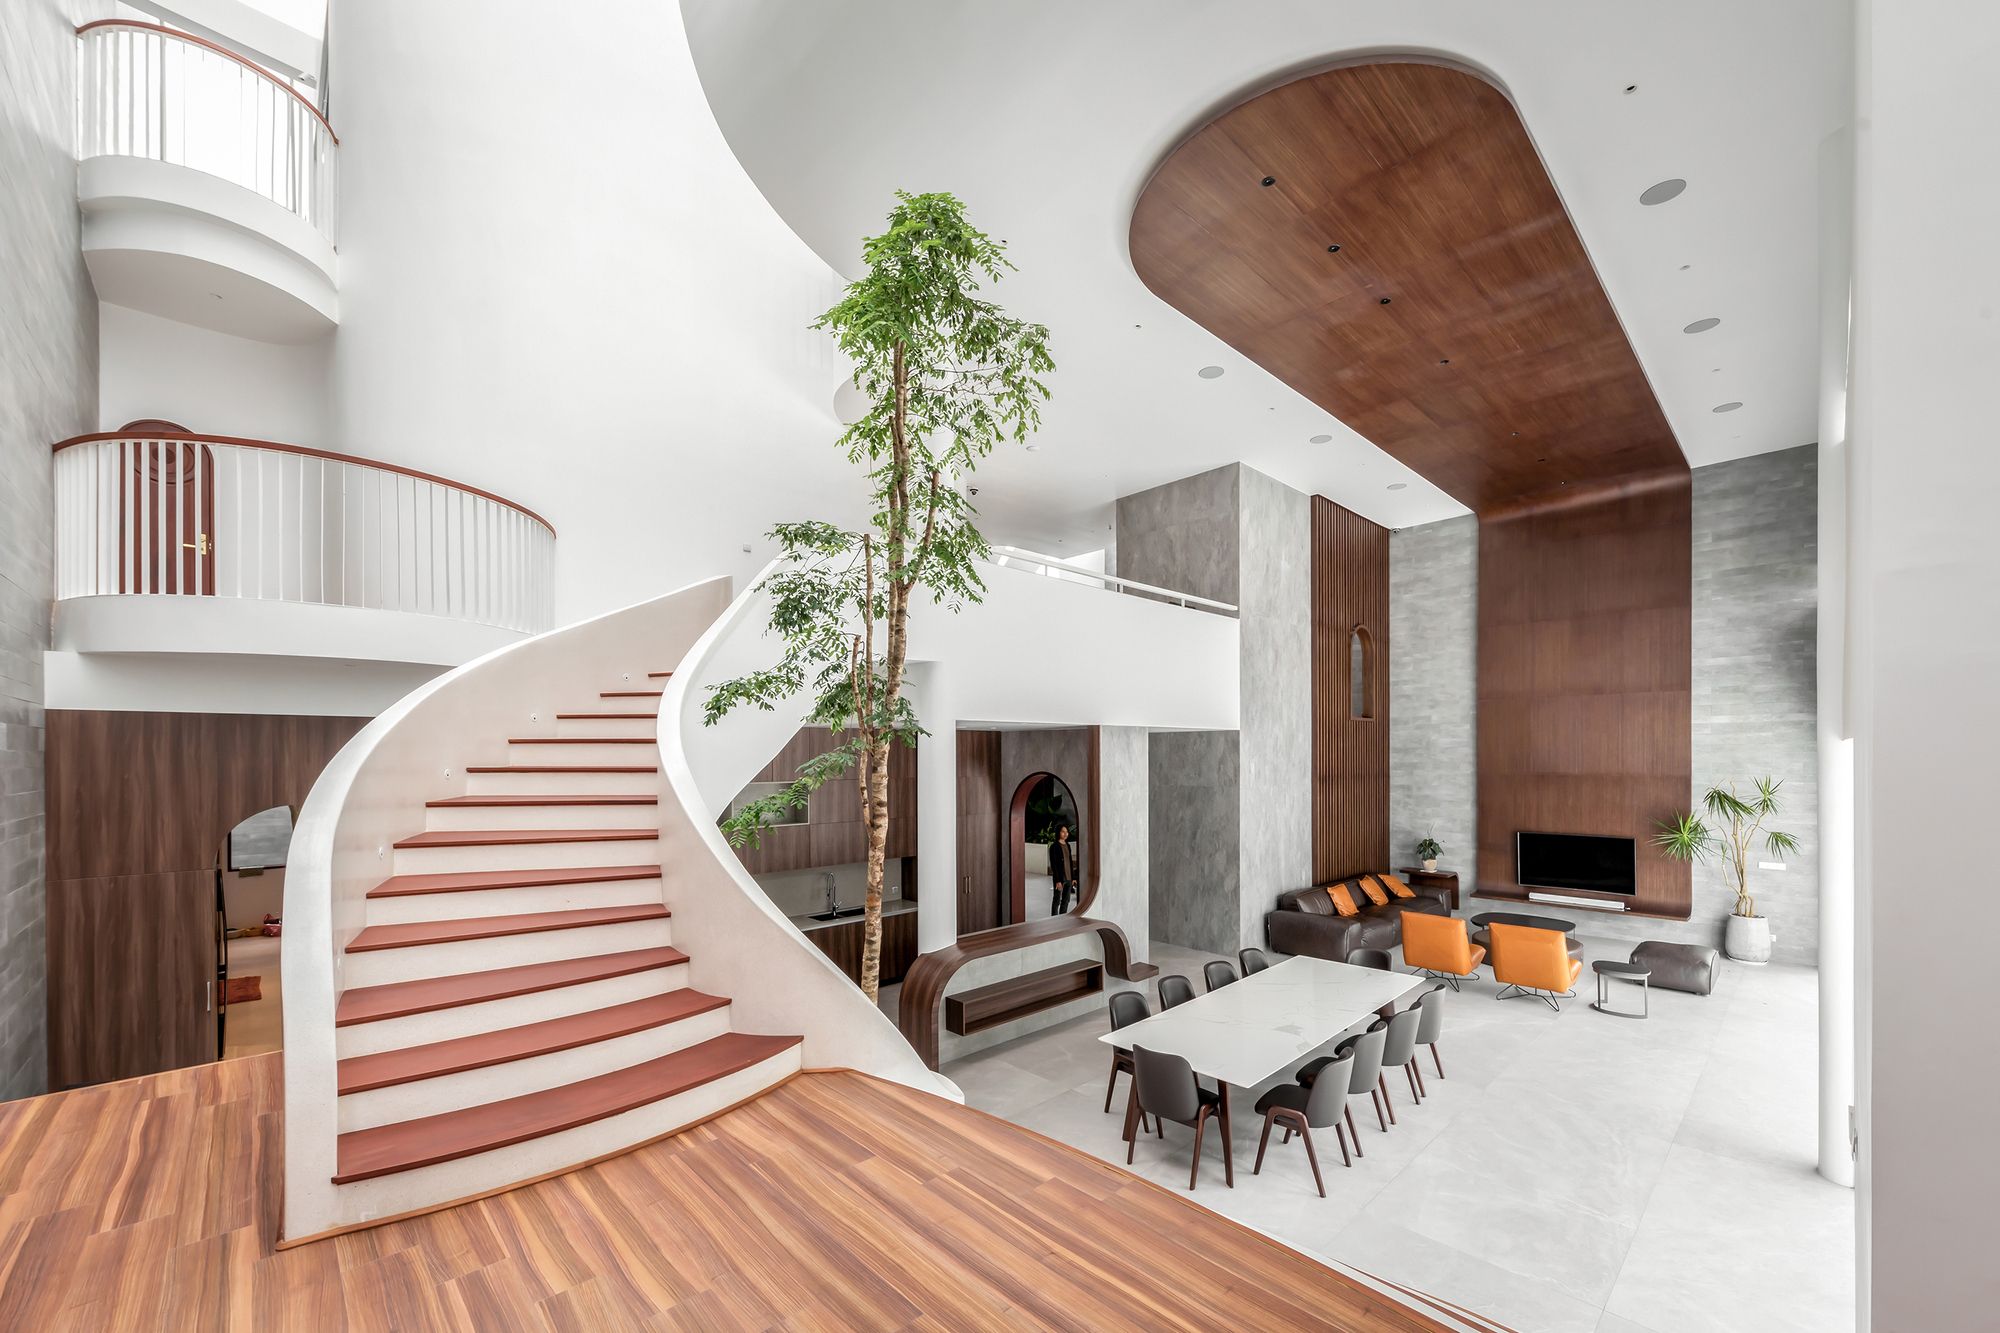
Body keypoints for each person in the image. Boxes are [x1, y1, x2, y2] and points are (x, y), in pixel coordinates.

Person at [1048, 822, 1078, 915]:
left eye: (1067, 832)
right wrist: (1057, 880)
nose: (1066, 834)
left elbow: (1070, 862)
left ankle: (1062, 918)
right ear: (1058, 833)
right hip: (1060, 878)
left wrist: (1073, 878)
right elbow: (1054, 865)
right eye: (1063, 832)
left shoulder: (1068, 845)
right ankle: (1054, 919)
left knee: (1066, 900)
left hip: (1069, 878)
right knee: (1057, 900)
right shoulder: (1054, 846)